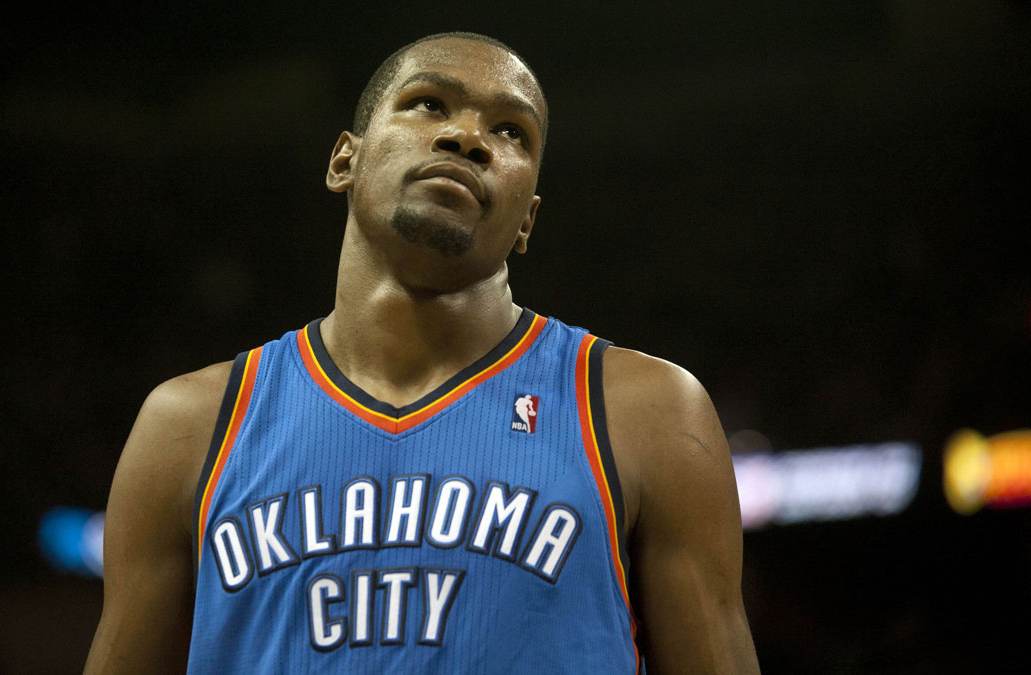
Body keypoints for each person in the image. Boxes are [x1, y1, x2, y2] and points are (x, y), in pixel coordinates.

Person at [83, 32, 759, 674]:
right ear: (344, 159)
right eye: (429, 103)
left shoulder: (646, 411)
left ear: (527, 217)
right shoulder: (189, 424)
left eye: (510, 131)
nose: (467, 136)